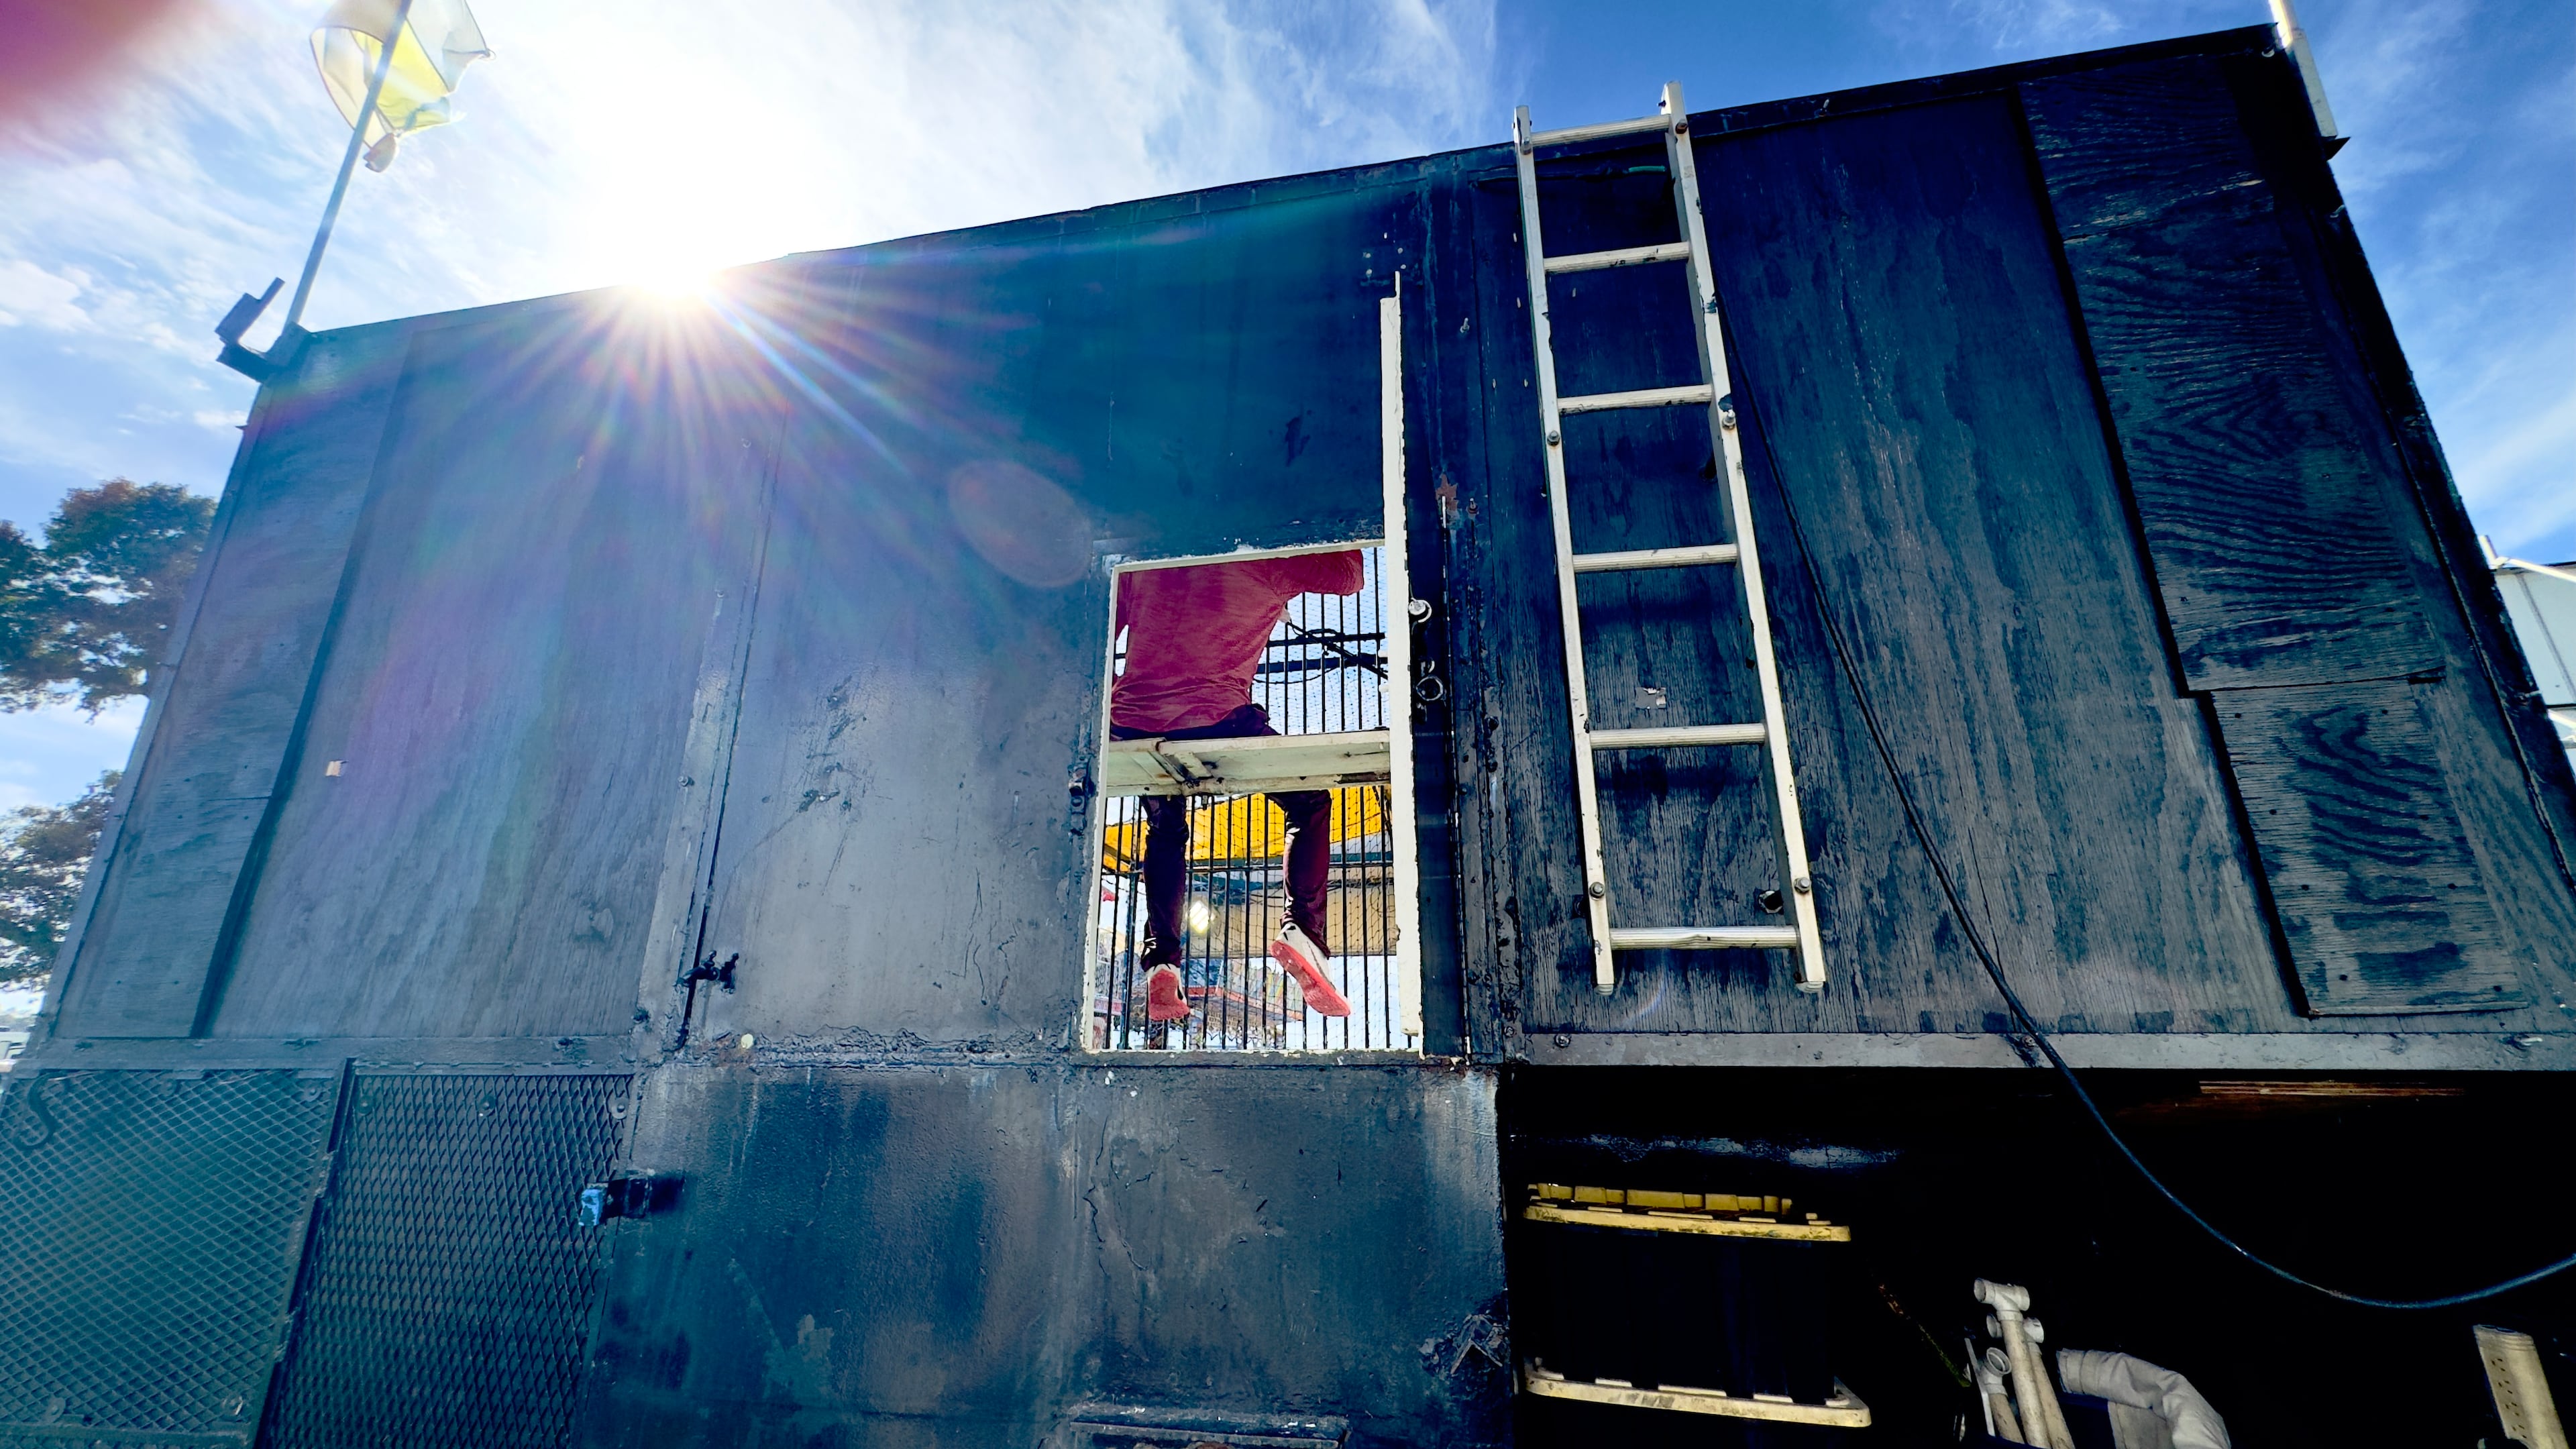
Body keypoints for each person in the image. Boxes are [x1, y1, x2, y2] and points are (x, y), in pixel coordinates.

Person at [1111, 549, 1367, 1024]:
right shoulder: (1267, 551)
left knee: (1165, 830)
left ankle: (1162, 961)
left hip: (1129, 721)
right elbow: (1350, 576)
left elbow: (1103, 631)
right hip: (1215, 718)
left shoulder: (1144, 560)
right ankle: (1303, 931)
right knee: (1309, 800)